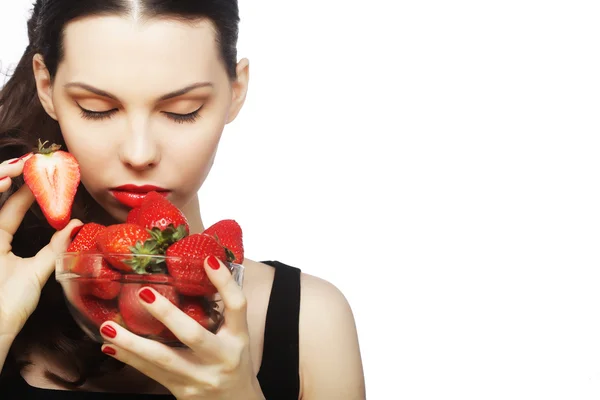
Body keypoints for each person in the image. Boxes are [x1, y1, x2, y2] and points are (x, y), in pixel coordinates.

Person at [0, 0, 365, 399]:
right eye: (97, 109)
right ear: (46, 87)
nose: (139, 154)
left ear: (236, 91)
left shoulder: (312, 322)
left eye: (182, 111)